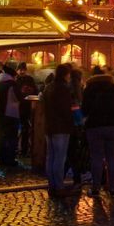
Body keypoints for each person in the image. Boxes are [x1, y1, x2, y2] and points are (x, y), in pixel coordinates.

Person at [82, 66, 114, 196]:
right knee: (112, 159)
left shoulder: (89, 89)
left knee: (96, 158)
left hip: (95, 127)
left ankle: (96, 188)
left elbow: (84, 109)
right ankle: (113, 189)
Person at [41, 63, 78, 196]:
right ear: (66, 75)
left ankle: (51, 185)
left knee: (50, 157)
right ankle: (59, 186)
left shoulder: (49, 87)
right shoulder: (63, 89)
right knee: (59, 158)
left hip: (49, 126)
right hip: (61, 127)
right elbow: (65, 110)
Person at [0, 62, 20, 168]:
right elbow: (19, 97)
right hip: (11, 114)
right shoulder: (12, 84)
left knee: (0, 136)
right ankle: (10, 159)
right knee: (11, 137)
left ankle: (1, 158)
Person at [14, 62, 40, 157]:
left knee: (24, 129)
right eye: (20, 69)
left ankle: (22, 148)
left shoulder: (26, 79)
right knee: (22, 129)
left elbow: (34, 92)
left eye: (23, 69)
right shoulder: (18, 80)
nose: (21, 71)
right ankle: (21, 148)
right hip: (22, 107)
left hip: (24, 107)